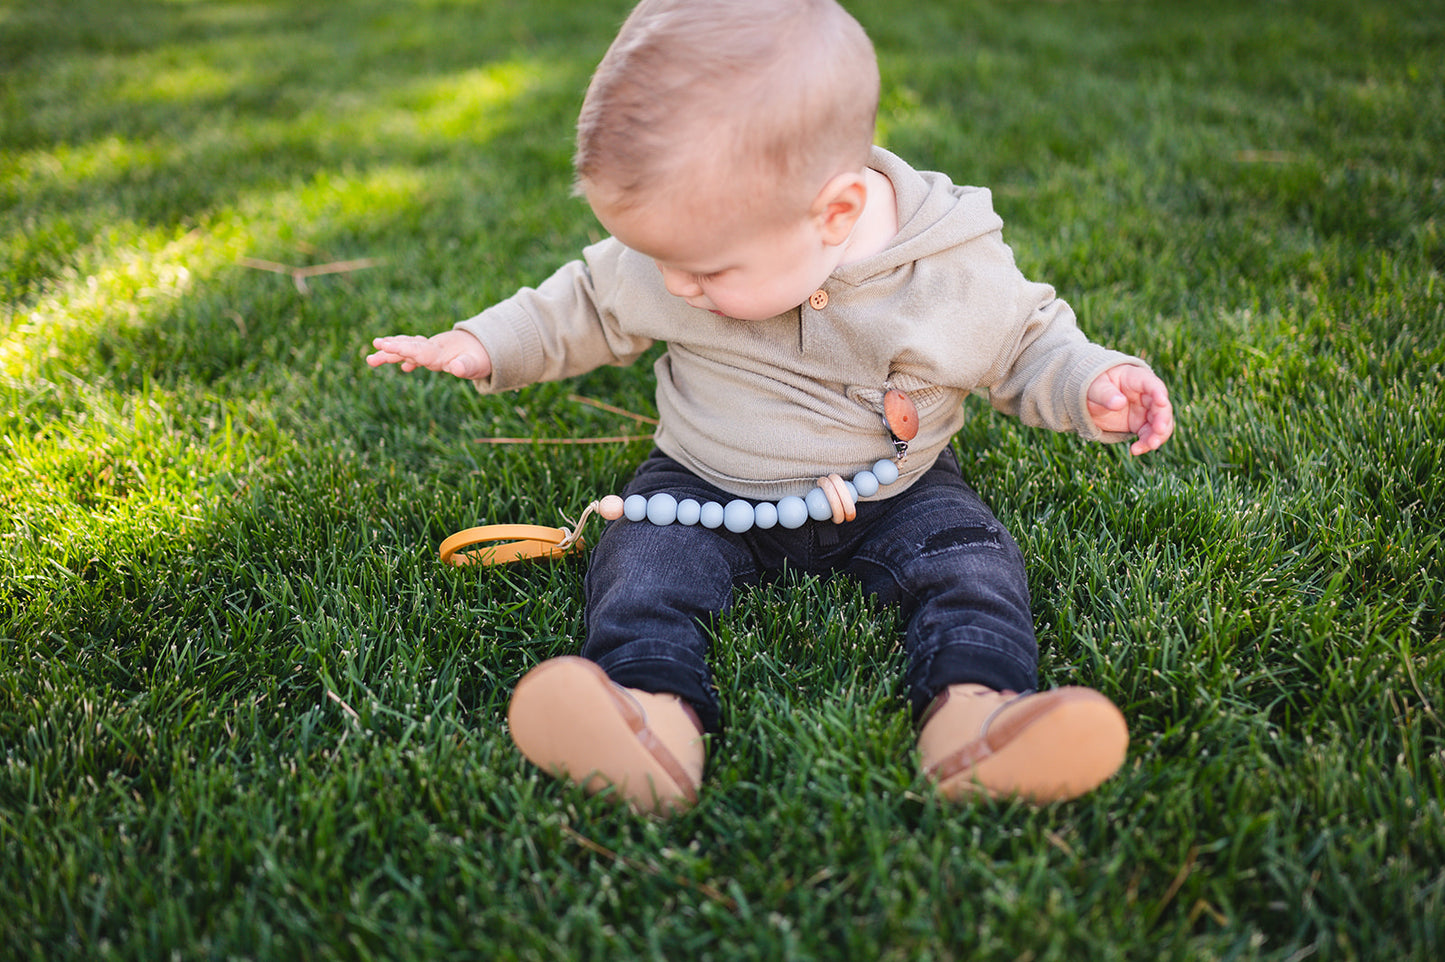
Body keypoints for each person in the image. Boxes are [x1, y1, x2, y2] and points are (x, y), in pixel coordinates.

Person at [368, 0, 1174, 815]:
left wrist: (1088, 380)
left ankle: (978, 717)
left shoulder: (949, 269)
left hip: (894, 491)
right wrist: (482, 343)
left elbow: (1026, 340)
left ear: (835, 215)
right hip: (702, 479)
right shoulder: (687, 243)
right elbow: (582, 302)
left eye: (708, 272)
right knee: (643, 565)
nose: (677, 286)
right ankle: (647, 717)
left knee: (969, 565)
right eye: (661, 262)